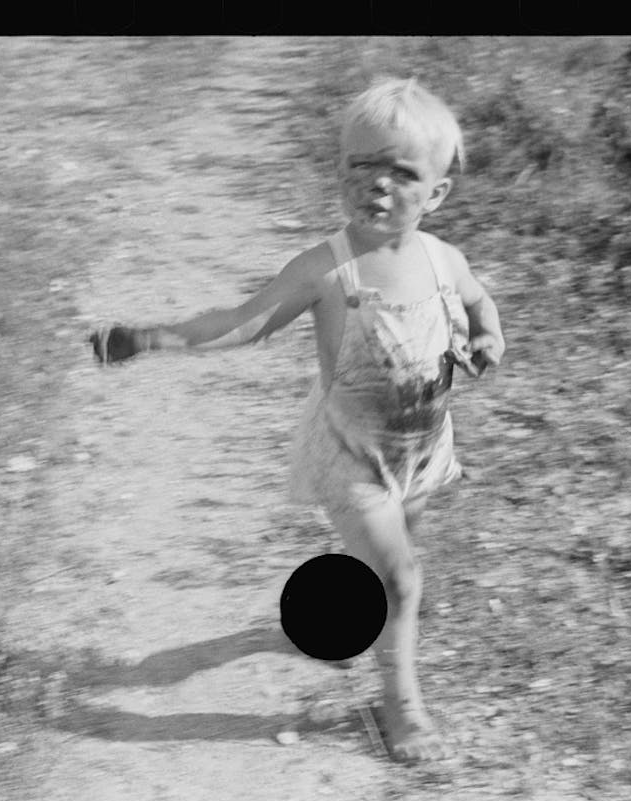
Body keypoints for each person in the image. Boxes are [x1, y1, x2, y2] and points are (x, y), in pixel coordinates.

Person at [89, 77, 505, 762]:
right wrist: (156, 337)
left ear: (436, 195)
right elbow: (244, 324)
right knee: (400, 575)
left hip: (420, 449)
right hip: (350, 452)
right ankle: (399, 706)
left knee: (388, 562)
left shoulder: (443, 261)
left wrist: (489, 339)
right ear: (338, 169)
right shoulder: (327, 269)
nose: (376, 184)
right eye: (359, 165)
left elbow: (479, 302)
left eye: (401, 172)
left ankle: (346, 626)